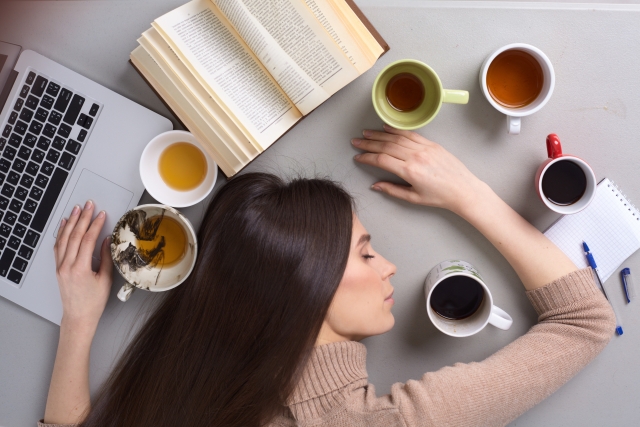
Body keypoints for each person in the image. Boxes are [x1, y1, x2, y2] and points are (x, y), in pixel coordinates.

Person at [40, 126, 615, 427]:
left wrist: (79, 323)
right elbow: (585, 321)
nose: (389, 265)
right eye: (365, 254)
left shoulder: (211, 388)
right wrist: (469, 194)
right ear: (305, 283)